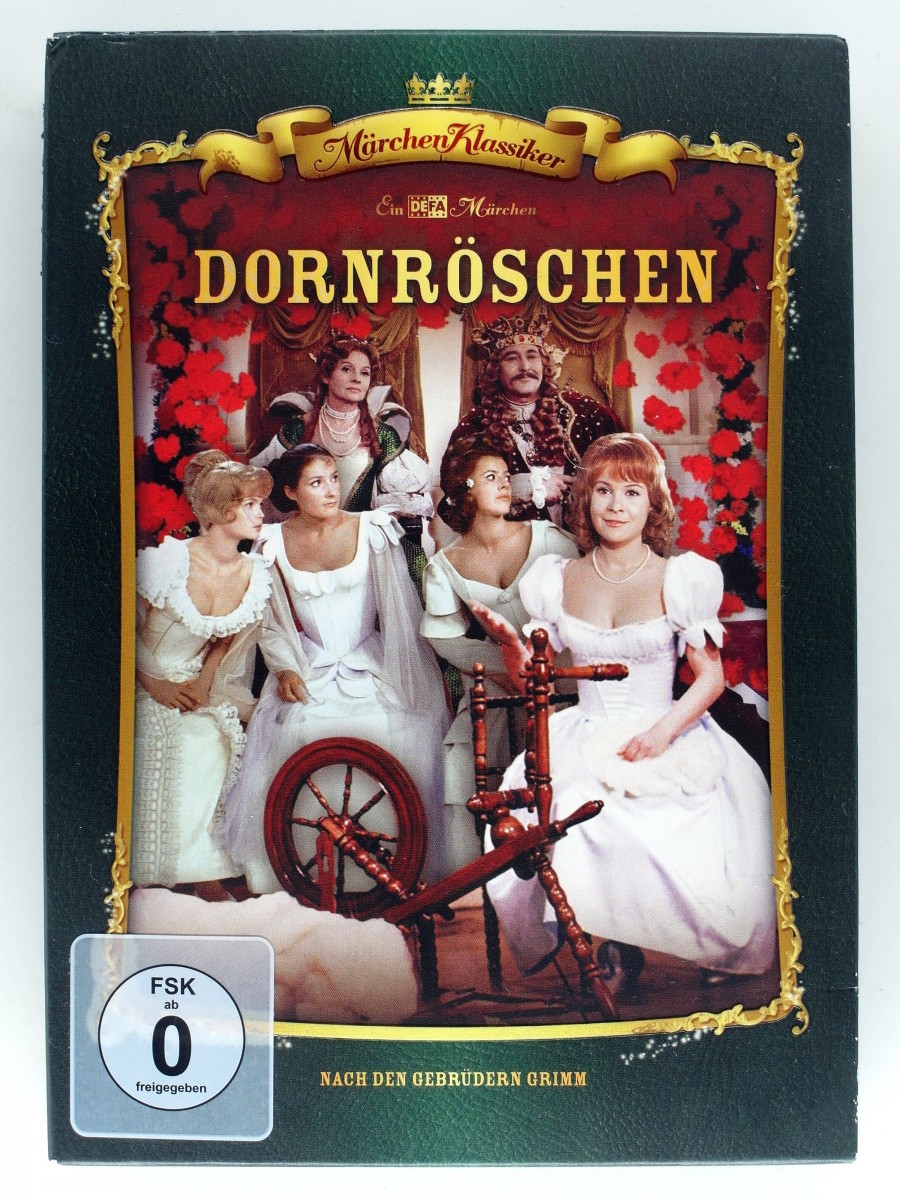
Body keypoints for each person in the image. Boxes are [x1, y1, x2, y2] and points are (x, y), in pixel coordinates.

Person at [472, 433, 777, 995]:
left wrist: (661, 734)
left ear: (652, 503)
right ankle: (611, 946)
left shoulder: (680, 579)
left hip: (667, 729)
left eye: (632, 492)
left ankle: (701, 943)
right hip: (584, 731)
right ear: (585, 499)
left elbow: (710, 678)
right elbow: (532, 679)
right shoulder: (556, 579)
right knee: (575, 810)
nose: (616, 505)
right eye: (604, 491)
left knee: (667, 814)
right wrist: (511, 646)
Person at [223, 444, 449, 893]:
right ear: (291, 492)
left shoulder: (373, 530)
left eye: (333, 478)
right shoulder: (270, 542)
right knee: (296, 729)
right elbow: (271, 620)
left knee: (398, 728)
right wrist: (285, 669)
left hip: (369, 659)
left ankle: (396, 868)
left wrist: (406, 680)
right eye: (316, 483)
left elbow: (398, 612)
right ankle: (305, 869)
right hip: (308, 663)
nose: (331, 490)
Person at [421, 437, 579, 872]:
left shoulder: (550, 540)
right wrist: (503, 666)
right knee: (464, 760)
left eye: (506, 476)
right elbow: (443, 637)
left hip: (562, 673)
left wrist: (543, 666)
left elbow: (585, 607)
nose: (506, 485)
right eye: (492, 477)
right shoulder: (445, 564)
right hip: (499, 676)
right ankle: (483, 874)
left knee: (562, 764)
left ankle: (567, 866)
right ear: (464, 490)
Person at [131, 450, 274, 890]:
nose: (260, 514)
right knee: (173, 738)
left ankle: (203, 872)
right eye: (249, 505)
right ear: (221, 510)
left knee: (213, 735)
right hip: (139, 677)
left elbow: (224, 641)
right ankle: (163, 875)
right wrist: (156, 684)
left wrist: (203, 687)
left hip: (193, 682)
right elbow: (121, 630)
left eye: (259, 504)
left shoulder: (253, 572)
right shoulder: (168, 561)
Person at [447, 314, 623, 524]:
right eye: (511, 358)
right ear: (495, 369)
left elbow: (632, 470)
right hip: (514, 542)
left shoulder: (585, 411)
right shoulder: (475, 425)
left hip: (584, 540)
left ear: (544, 364)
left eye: (532, 356)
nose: (524, 367)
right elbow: (453, 504)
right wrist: (518, 488)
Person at [250, 332, 433, 528]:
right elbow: (264, 485)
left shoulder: (382, 434)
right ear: (326, 376)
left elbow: (400, 503)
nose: (357, 379)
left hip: (360, 536)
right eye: (347, 369)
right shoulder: (297, 429)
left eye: (364, 373)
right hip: (308, 536)